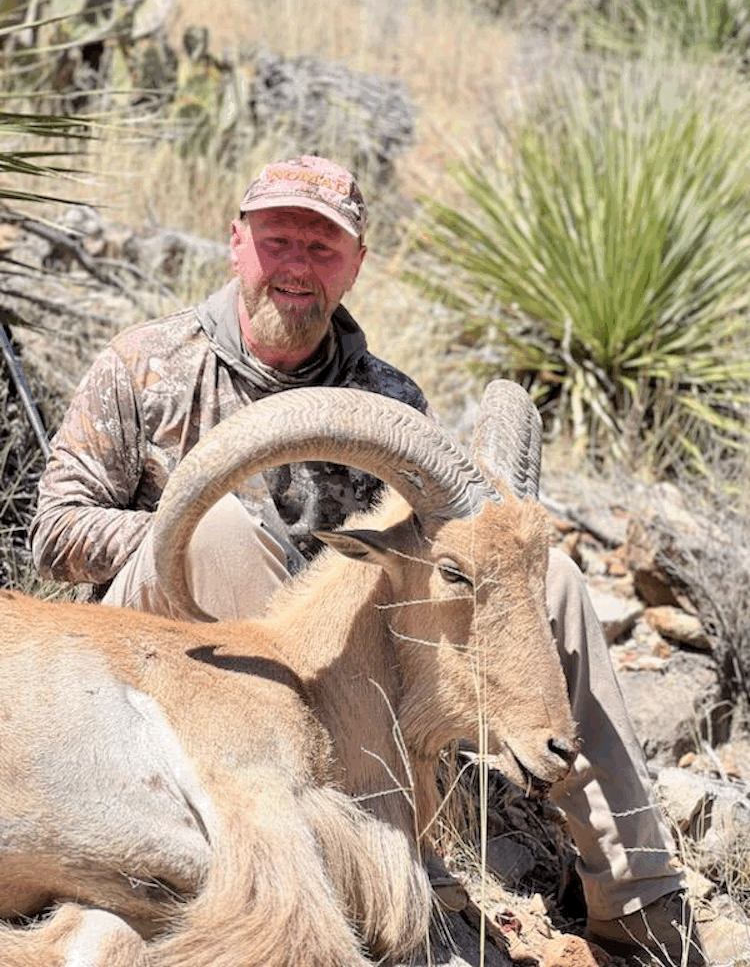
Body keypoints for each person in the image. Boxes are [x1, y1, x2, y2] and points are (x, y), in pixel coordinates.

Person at [30, 155, 714, 966]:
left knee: (544, 574)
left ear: (355, 266)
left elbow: (444, 561)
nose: (296, 267)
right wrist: (174, 534)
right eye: (278, 240)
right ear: (236, 243)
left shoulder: (390, 401)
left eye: (323, 251)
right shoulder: (147, 361)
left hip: (328, 676)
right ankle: (339, 846)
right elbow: (55, 530)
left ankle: (635, 891)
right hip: (161, 656)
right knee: (221, 530)